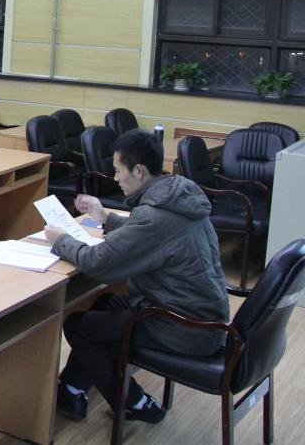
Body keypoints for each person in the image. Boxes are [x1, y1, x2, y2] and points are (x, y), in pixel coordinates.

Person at [45, 129, 229, 427]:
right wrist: (105, 217)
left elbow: (97, 263)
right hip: (202, 316)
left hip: (181, 327)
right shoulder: (178, 197)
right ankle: (72, 388)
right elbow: (147, 238)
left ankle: (135, 402)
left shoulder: (155, 216)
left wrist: (61, 240)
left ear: (138, 171)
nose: (115, 178)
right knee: (104, 303)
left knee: (77, 326)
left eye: (118, 170)